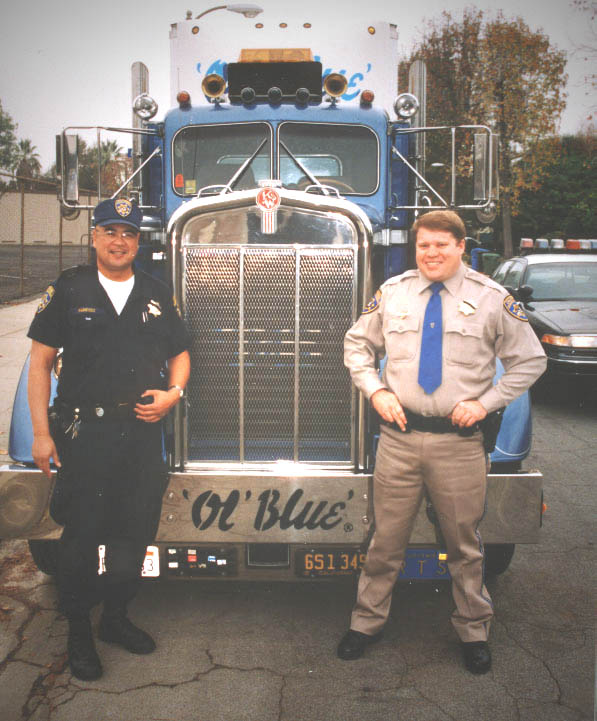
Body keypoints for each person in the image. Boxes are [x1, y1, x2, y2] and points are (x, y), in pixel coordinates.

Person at [337, 210, 546, 674]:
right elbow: (357, 346)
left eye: (441, 245)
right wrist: (376, 390)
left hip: (458, 445)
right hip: (399, 441)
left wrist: (487, 403)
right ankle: (366, 622)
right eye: (423, 245)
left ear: (460, 246)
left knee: (463, 545)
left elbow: (531, 360)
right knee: (385, 541)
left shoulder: (491, 298)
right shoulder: (394, 292)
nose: (431, 253)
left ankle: (474, 629)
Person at [27, 198, 190, 681]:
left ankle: (115, 618)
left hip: (140, 433)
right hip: (85, 434)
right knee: (82, 537)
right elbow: (39, 364)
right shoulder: (68, 288)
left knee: (134, 534)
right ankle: (79, 632)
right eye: (110, 231)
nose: (120, 241)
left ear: (139, 241)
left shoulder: (156, 292)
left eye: (129, 233)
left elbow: (180, 352)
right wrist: (41, 434)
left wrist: (172, 394)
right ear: (94, 236)